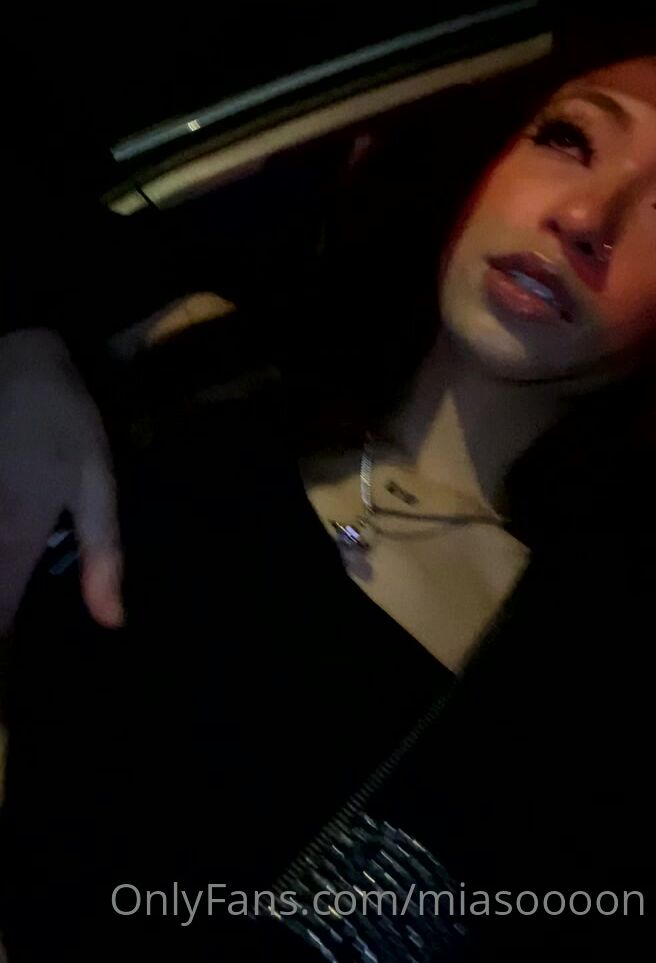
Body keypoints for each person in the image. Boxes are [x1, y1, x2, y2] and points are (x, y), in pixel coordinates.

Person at [2, 26, 656, 961]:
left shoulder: (571, 702)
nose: (588, 217)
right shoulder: (201, 363)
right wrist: (25, 344)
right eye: (568, 138)